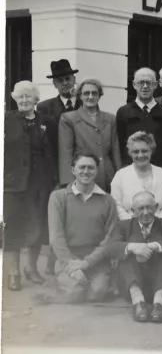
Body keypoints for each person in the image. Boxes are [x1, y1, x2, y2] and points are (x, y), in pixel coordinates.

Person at [4, 81, 58, 290]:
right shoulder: (6, 120)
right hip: (13, 183)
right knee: (14, 227)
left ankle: (31, 269)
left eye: (28, 96)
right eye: (20, 97)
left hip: (40, 181)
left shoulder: (48, 122)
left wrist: (52, 179)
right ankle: (14, 272)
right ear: (15, 99)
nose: (24, 100)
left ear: (36, 99)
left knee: (37, 226)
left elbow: (53, 151)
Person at [46, 153, 118, 303]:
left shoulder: (108, 200)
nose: (86, 171)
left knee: (97, 293)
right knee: (74, 294)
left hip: (96, 260)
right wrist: (70, 264)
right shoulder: (58, 197)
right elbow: (56, 237)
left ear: (96, 171)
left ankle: (97, 283)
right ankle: (56, 281)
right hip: (69, 257)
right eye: (82, 167)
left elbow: (110, 237)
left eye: (91, 168)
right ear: (73, 170)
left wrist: (87, 262)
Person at [108, 191, 162, 323]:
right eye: (141, 208)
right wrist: (132, 247)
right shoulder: (124, 226)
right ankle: (138, 303)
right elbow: (111, 247)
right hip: (133, 283)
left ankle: (159, 304)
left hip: (160, 282)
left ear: (156, 207)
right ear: (133, 210)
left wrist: (153, 246)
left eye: (149, 207)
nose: (146, 212)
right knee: (126, 255)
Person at [59, 78, 122, 191]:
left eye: (94, 93)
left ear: (99, 96)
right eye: (86, 93)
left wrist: (120, 175)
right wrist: (68, 182)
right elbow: (66, 152)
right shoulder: (69, 118)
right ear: (80, 96)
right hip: (83, 174)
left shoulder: (110, 118)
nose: (91, 96)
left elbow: (115, 150)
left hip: (108, 175)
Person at [116, 67, 162, 173]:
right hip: (131, 168)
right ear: (134, 85)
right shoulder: (123, 112)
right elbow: (120, 144)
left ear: (155, 85)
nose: (145, 86)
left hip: (160, 168)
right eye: (141, 82)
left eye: (149, 82)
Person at [110, 132, 162, 220]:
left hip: (160, 227)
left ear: (151, 151)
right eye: (135, 151)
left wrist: (158, 223)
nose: (140, 155)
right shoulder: (120, 176)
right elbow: (116, 206)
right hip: (130, 228)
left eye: (144, 151)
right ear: (130, 153)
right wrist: (134, 226)